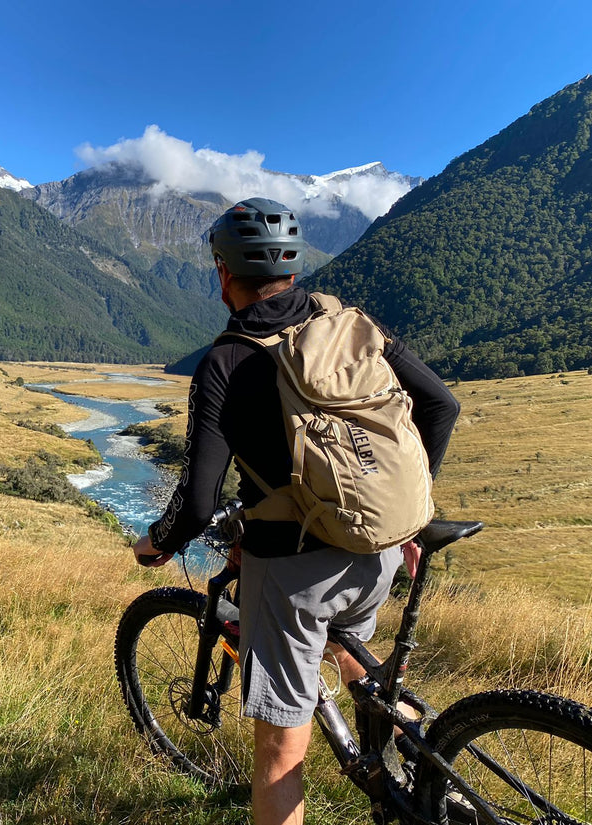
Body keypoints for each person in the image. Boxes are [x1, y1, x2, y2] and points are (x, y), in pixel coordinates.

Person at [132, 198, 459, 825]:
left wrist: (158, 542)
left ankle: (408, 785)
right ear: (293, 267)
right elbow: (441, 406)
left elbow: (198, 502)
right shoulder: (349, 324)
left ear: (223, 273)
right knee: (354, 661)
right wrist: (410, 518)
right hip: (379, 550)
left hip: (293, 575)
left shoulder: (226, 361)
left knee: (280, 752)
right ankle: (423, 775)